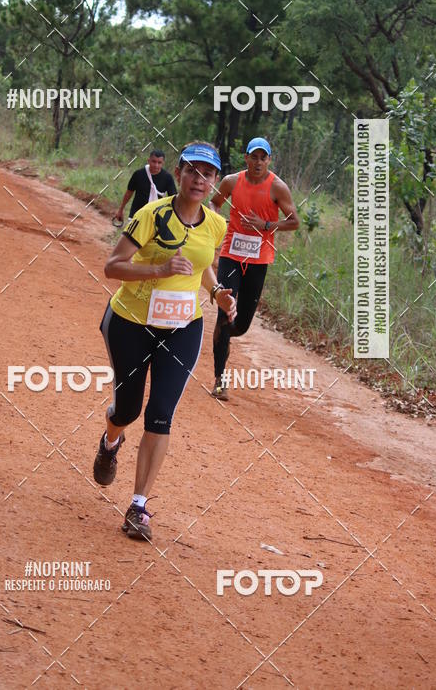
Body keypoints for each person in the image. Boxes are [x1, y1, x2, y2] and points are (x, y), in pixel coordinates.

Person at [94, 141, 236, 542]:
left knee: (160, 414)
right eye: (192, 171)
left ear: (214, 182)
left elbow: (201, 266)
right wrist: (159, 268)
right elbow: (112, 266)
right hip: (130, 322)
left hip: (183, 327)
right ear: (179, 173)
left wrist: (217, 293)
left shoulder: (216, 225)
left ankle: (138, 506)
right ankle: (110, 441)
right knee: (127, 409)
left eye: (208, 174)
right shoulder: (151, 215)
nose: (199, 179)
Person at [208, 137, 299, 400]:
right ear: (246, 158)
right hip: (231, 255)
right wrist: (217, 221)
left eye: (263, 157)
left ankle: (224, 333)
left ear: (269, 160)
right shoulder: (231, 181)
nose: (258, 162)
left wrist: (266, 225)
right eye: (254, 157)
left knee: (241, 325)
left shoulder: (278, 188)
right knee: (226, 311)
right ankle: (220, 380)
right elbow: (214, 202)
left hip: (259, 260)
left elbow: (294, 221)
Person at [114, 150, 176, 224]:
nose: (156, 165)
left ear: (163, 163)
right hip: (136, 214)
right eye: (154, 161)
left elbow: (173, 199)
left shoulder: (167, 178)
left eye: (159, 163)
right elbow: (129, 192)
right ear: (148, 161)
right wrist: (121, 210)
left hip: (155, 217)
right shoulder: (138, 174)